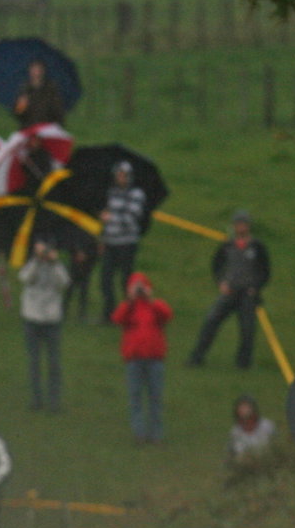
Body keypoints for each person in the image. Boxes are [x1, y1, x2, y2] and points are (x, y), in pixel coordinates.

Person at [187, 210, 271, 369]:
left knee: (247, 330)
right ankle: (196, 357)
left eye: (243, 224)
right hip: (229, 292)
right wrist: (221, 283)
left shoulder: (258, 247)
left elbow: (265, 271)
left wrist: (256, 287)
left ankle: (243, 364)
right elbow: (216, 266)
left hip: (248, 294)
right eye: (238, 224)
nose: (240, 227)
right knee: (210, 322)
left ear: (248, 226)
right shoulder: (227, 246)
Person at [112, 271, 173, 444]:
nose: (139, 290)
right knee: (136, 397)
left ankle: (156, 434)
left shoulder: (155, 305)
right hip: (134, 358)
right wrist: (130, 301)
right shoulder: (128, 307)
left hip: (155, 358)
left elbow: (167, 315)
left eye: (142, 286)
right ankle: (139, 433)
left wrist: (150, 299)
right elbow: (117, 318)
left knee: (155, 398)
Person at [19, 237, 71, 412]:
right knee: (34, 362)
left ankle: (54, 401)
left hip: (51, 319)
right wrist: (36, 260)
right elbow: (25, 277)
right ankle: (36, 399)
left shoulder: (57, 266)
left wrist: (54, 262)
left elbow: (64, 282)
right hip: (32, 317)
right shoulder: (33, 264)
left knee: (54, 363)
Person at [98, 161, 149, 321]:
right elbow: (106, 220)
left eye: (124, 175)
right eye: (118, 175)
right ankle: (110, 313)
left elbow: (132, 218)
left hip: (127, 242)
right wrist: (102, 238)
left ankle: (130, 313)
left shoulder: (136, 194)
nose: (121, 178)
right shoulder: (111, 193)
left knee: (126, 280)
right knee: (105, 279)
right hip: (110, 242)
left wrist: (111, 217)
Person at [14, 59, 66, 127]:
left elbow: (58, 110)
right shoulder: (24, 89)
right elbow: (18, 114)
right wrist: (21, 106)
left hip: (47, 127)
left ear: (43, 71)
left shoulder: (51, 89)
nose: (36, 72)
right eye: (33, 69)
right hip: (29, 127)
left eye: (38, 69)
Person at [228, 395, 276, 461]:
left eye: (246, 407)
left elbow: (275, 447)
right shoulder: (236, 431)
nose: (243, 410)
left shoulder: (267, 426)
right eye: (241, 408)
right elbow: (232, 453)